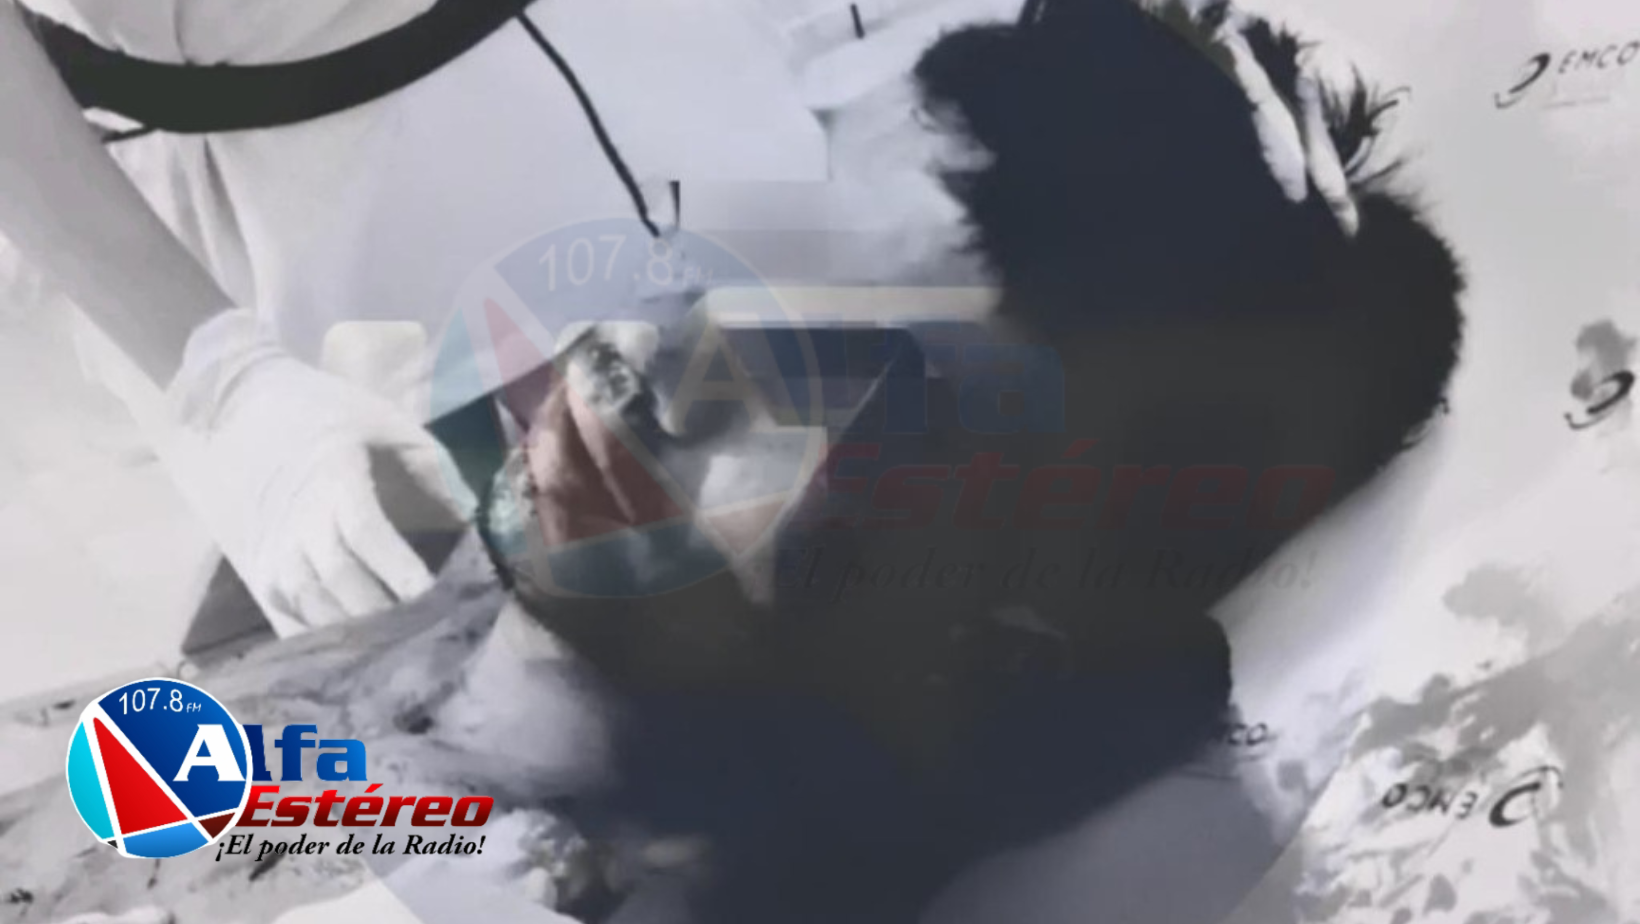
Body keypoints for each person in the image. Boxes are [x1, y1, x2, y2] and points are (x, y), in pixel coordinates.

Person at [0, 0, 830, 637]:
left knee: (803, 566)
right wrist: (220, 373)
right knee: (458, 655)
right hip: (183, 195)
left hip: (554, 80)